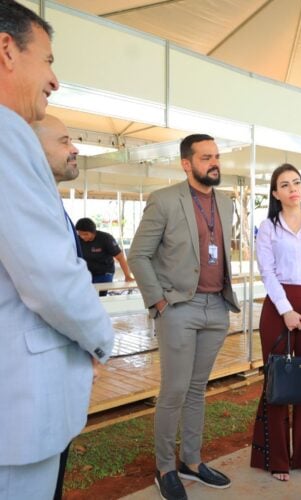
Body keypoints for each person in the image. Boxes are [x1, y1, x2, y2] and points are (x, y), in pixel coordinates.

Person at [0, 2, 115, 499]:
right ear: (7, 50)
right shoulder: (7, 133)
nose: (54, 79)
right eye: (47, 60)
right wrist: (98, 335)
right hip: (17, 410)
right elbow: (48, 278)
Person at [128, 134, 240, 500]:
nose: (214, 162)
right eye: (206, 157)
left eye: (217, 156)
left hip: (216, 307)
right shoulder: (163, 201)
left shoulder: (225, 202)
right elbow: (138, 255)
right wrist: (159, 302)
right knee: (174, 391)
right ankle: (165, 468)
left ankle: (192, 462)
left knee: (197, 390)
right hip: (178, 308)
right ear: (186, 163)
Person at [250, 163, 301, 482]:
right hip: (277, 308)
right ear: (275, 193)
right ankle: (277, 459)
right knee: (278, 381)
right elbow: (267, 272)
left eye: (296, 182)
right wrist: (285, 310)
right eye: (284, 184)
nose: (292, 188)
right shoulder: (267, 227)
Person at [32, 114, 82, 500]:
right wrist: (98, 342)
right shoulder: (25, 203)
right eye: (64, 140)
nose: (75, 148)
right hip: (29, 378)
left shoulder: (51, 202)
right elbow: (53, 288)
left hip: (55, 370)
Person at [75, 217, 134, 295]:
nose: (83, 236)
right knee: (86, 295)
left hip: (104, 272)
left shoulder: (106, 238)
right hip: (87, 273)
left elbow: (120, 257)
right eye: (80, 234)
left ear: (93, 232)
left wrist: (127, 276)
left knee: (101, 296)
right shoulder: (77, 240)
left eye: (86, 234)